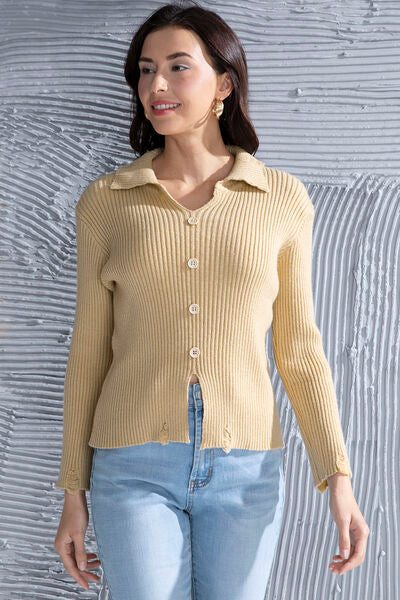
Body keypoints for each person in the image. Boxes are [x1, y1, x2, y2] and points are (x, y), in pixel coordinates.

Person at [53, 3, 370, 598]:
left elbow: (299, 348)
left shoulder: (280, 199)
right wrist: (73, 491)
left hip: (247, 470)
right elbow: (89, 350)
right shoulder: (107, 202)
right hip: (132, 466)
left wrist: (338, 478)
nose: (157, 85)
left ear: (224, 83)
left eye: (178, 67)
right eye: (146, 70)